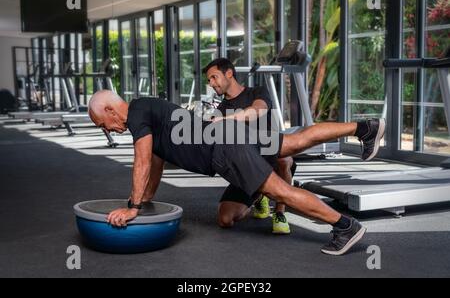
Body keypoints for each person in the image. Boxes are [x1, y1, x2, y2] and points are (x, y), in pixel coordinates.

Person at [88, 89, 385, 256]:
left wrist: (133, 209)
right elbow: (153, 166)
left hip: (225, 148)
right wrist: (144, 202)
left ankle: (345, 225)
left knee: (279, 191)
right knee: (293, 142)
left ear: (112, 110)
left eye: (102, 123)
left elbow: (140, 161)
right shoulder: (147, 110)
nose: (106, 131)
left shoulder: (138, 115)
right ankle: (365, 128)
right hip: (230, 133)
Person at [204, 58, 295, 234]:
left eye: (214, 77)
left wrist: (226, 119)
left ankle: (279, 213)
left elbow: (257, 111)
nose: (211, 83)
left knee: (284, 159)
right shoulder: (220, 110)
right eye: (209, 80)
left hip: (270, 158)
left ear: (229, 73)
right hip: (247, 168)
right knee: (225, 219)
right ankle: (260, 196)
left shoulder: (257, 92)